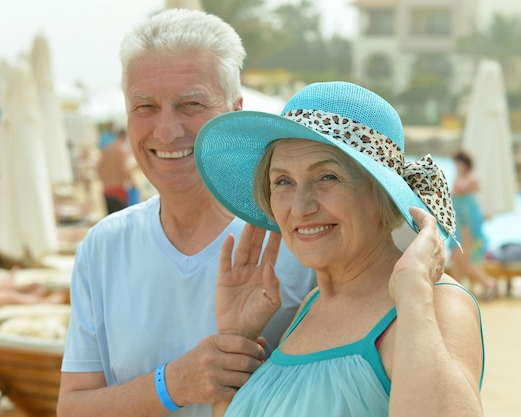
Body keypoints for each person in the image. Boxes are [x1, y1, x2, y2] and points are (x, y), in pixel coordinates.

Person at [57, 9, 317, 417]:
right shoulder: (104, 245)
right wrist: (174, 383)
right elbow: (72, 408)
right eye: (144, 106)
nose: (166, 131)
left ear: (235, 110)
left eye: (190, 104)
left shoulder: (300, 240)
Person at [194, 81, 485, 416]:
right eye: (283, 181)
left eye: (327, 177)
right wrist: (237, 337)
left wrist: (413, 292)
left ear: (381, 194)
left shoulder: (437, 302)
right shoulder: (311, 305)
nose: (300, 207)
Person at [448, 149, 498, 300]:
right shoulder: (463, 178)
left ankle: (488, 283)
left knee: (462, 259)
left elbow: (459, 190)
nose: (456, 166)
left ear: (465, 164)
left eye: (458, 163)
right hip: (461, 223)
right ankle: (457, 290)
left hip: (466, 225)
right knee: (457, 259)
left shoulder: (469, 179)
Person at [96, 128, 135, 214]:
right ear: (125, 137)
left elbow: (98, 168)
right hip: (118, 190)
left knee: (112, 221)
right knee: (122, 221)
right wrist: (134, 183)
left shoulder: (106, 149)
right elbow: (124, 169)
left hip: (106, 190)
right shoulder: (121, 150)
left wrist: (105, 180)